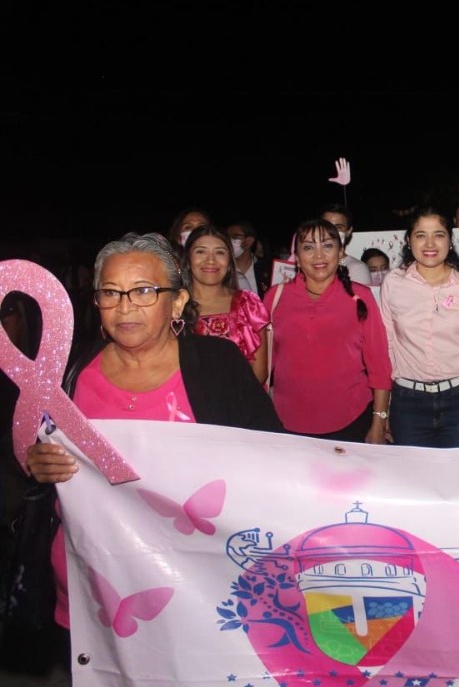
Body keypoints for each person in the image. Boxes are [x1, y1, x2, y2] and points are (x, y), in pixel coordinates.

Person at [24, 232, 281, 642]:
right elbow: (38, 447)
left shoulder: (218, 365)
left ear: (177, 302)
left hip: (194, 588)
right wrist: (37, 463)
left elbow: (274, 457)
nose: (125, 306)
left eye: (143, 291)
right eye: (111, 292)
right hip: (92, 590)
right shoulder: (71, 370)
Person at [264, 218, 391, 442]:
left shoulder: (361, 296)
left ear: (340, 253)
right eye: (308, 247)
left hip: (352, 420)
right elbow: (263, 366)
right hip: (286, 422)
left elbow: (379, 365)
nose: (319, 256)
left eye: (327, 246)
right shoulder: (276, 297)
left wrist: (379, 422)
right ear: (297, 257)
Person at [379, 208, 459, 447]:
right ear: (409, 240)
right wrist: (385, 408)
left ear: (450, 240)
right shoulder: (393, 282)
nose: (430, 243)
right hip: (408, 403)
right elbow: (387, 346)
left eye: (439, 235)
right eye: (421, 235)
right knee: (414, 470)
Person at [182, 225, 271, 385]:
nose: (211, 260)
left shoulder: (247, 305)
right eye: (201, 252)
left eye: (220, 252)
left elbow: (259, 374)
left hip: (240, 398)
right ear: (188, 259)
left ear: (230, 261)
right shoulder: (173, 307)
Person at [320, 203, 373, 286]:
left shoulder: (356, 268)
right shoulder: (310, 264)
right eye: (327, 226)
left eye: (338, 227)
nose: (332, 231)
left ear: (348, 231)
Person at [226, 219, 271, 295]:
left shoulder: (267, 269)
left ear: (249, 242)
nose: (228, 241)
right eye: (227, 237)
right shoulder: (223, 270)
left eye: (235, 237)